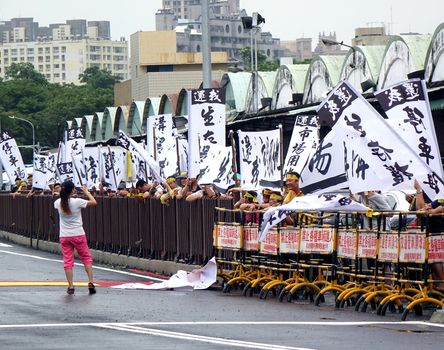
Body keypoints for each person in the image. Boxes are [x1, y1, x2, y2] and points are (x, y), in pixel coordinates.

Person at [54, 180, 97, 295]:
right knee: (86, 258)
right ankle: (91, 282)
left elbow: (62, 199)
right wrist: (86, 192)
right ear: (72, 190)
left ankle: (71, 286)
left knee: (68, 261)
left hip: (64, 235)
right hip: (78, 233)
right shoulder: (77, 201)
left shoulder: (58, 203)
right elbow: (94, 202)